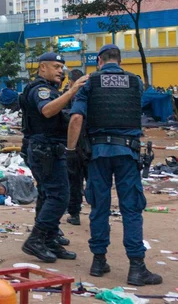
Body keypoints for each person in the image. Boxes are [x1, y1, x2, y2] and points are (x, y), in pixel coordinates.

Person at [67, 44, 161, 286]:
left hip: (97, 153)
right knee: (131, 209)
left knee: (99, 207)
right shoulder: (135, 82)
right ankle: (137, 268)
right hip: (127, 153)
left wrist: (70, 151)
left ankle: (99, 262)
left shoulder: (89, 82)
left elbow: (77, 117)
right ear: (119, 60)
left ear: (99, 60)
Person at [20, 52, 88, 263]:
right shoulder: (40, 90)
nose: (61, 71)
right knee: (60, 196)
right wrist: (74, 90)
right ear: (43, 68)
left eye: (62, 67)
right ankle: (36, 239)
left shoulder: (50, 90)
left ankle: (49, 239)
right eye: (56, 66)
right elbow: (48, 111)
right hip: (44, 149)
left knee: (49, 195)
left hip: (49, 148)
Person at [63, 68, 88, 226]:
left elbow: (72, 118)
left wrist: (70, 148)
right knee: (94, 179)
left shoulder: (72, 95)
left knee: (74, 180)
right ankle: (99, 213)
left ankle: (74, 213)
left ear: (71, 81)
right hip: (93, 143)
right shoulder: (92, 92)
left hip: (77, 143)